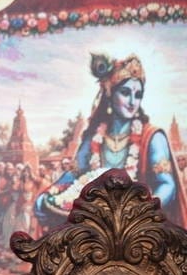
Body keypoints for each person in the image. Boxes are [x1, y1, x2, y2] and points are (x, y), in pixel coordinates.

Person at [36, 53, 187, 229]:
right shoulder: (93, 137)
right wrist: (49, 193)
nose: (133, 102)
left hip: (137, 229)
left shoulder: (152, 137)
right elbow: (73, 174)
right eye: (125, 93)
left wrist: (138, 211)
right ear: (109, 92)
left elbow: (167, 185)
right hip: (92, 225)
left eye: (138, 95)